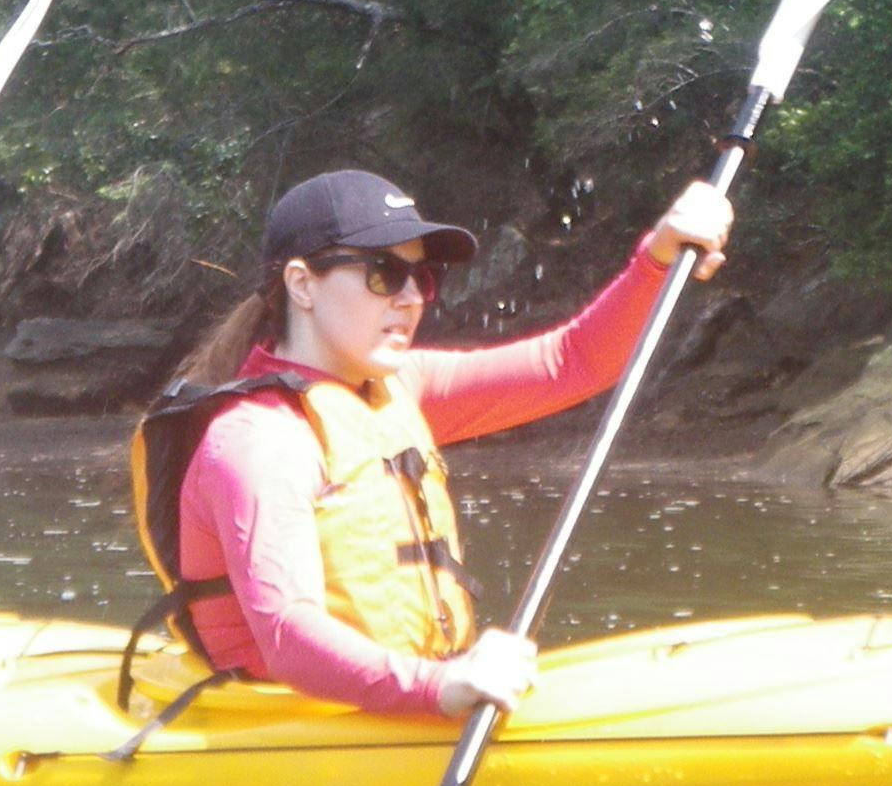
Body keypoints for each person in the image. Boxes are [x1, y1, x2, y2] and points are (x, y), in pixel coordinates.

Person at [126, 167, 731, 719]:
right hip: (292, 718)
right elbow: (287, 634)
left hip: (405, 689)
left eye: (423, 275)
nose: (412, 297)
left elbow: (572, 361)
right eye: (383, 274)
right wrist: (438, 689)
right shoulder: (258, 439)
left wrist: (656, 257)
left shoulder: (400, 386)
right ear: (302, 285)